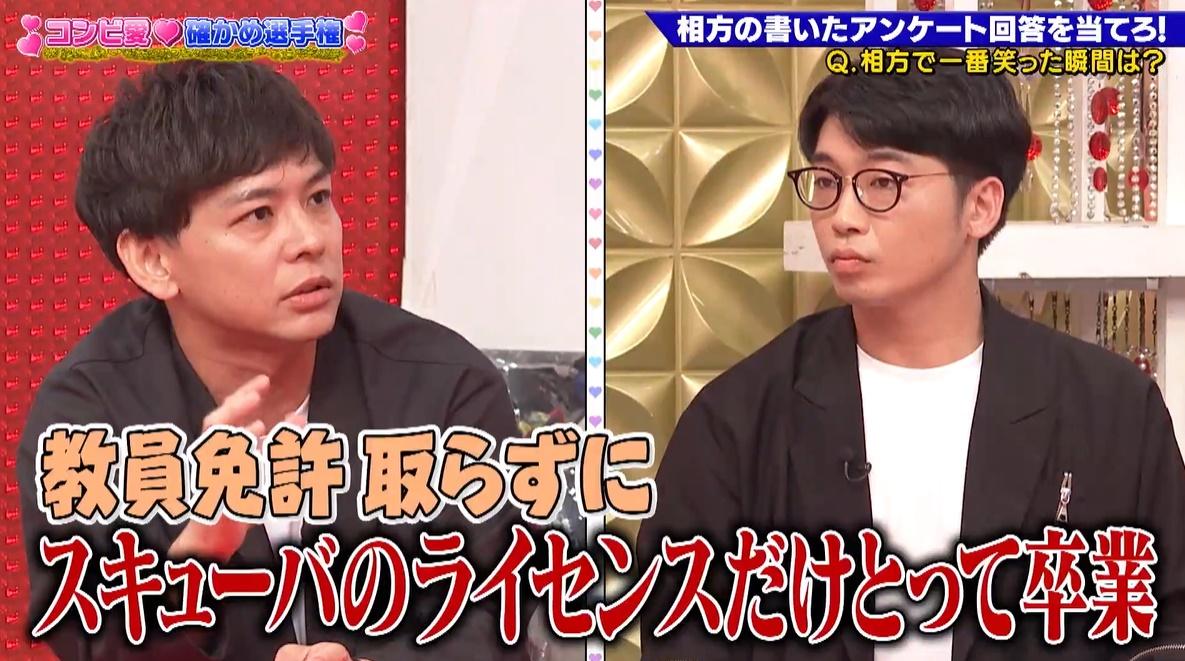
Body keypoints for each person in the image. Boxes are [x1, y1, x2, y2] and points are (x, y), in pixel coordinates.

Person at [638, 48, 1185, 661]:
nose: (842, 217)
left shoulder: (1113, 414)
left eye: (882, 183)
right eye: (827, 182)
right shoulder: (737, 421)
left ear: (980, 206)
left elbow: (1168, 627)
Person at [18, 60, 530, 661]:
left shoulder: (444, 387)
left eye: (318, 198)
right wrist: (196, 559)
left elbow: (493, 626)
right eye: (258, 214)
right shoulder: (89, 419)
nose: (311, 239)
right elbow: (91, 643)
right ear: (153, 260)